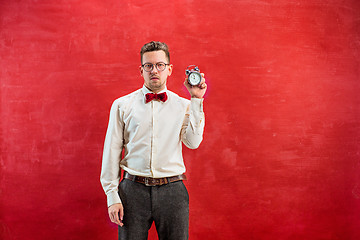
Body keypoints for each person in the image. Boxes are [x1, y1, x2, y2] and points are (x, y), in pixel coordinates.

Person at [100, 41, 207, 240]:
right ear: (141, 70)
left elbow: (193, 142)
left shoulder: (184, 105)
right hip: (132, 190)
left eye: (160, 65)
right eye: (148, 66)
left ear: (169, 69)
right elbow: (112, 151)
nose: (154, 70)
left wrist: (196, 100)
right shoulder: (122, 105)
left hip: (173, 191)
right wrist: (112, 195)